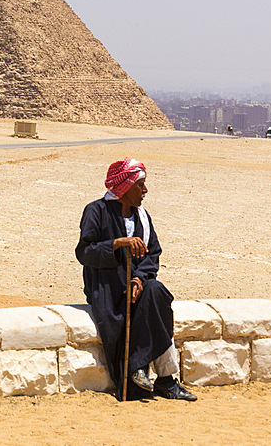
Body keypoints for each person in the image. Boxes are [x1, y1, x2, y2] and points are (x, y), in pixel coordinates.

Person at [75, 158, 196, 401]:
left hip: (136, 288)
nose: (145, 191)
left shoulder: (143, 217)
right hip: (106, 290)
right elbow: (84, 252)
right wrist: (117, 244)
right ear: (125, 186)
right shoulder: (96, 211)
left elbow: (153, 253)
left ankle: (163, 378)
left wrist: (139, 279)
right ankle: (145, 373)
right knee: (148, 314)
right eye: (140, 185)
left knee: (157, 294)